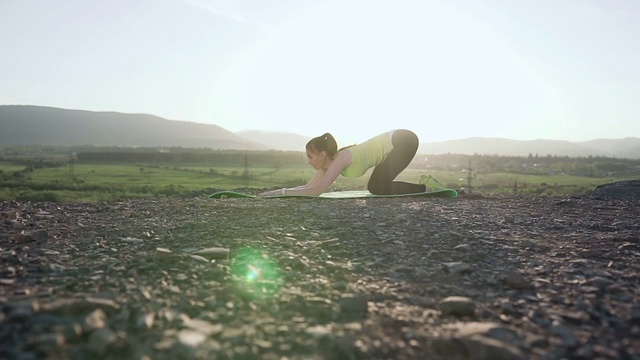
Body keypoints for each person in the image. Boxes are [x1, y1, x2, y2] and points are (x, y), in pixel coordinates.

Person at [259, 129, 445, 196]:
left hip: (403, 139)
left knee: (377, 187)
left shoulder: (340, 159)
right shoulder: (327, 163)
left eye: (310, 156)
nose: (308, 161)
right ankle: (425, 185)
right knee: (378, 186)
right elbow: (309, 187)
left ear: (323, 154)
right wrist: (278, 193)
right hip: (395, 142)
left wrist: (280, 193)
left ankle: (428, 187)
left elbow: (316, 192)